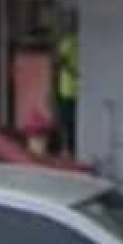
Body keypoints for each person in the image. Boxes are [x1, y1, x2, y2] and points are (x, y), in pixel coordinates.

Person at [54, 23, 79, 156]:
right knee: (68, 122)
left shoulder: (69, 40)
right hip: (68, 89)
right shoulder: (68, 41)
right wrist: (72, 71)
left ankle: (69, 148)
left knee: (69, 122)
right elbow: (60, 60)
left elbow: (59, 61)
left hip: (72, 89)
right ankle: (67, 149)